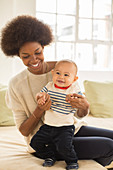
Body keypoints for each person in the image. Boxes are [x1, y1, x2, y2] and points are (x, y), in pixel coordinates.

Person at [1, 15, 113, 170]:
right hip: (44, 140)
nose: (34, 60)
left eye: (37, 52)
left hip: (70, 128)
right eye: (25, 56)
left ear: (44, 46)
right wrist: (39, 110)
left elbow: (79, 114)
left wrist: (84, 106)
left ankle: (94, 162)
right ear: (17, 55)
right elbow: (24, 131)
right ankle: (57, 155)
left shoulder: (62, 70)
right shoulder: (16, 84)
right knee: (108, 145)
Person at [30, 59, 82, 170]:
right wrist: (40, 98)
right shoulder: (49, 86)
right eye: (58, 73)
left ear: (74, 79)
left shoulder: (74, 89)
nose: (61, 77)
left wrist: (74, 98)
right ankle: (49, 156)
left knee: (64, 147)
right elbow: (40, 93)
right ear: (52, 73)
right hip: (48, 126)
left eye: (66, 75)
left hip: (65, 127)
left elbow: (81, 101)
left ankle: (72, 161)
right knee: (35, 143)